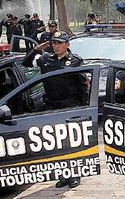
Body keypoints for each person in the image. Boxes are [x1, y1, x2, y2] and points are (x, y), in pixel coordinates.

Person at [21, 31, 89, 189]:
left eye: (60, 43)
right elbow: (26, 62)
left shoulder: (75, 61)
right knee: (57, 143)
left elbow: (82, 85)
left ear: (67, 44)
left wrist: (84, 107)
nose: (56, 46)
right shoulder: (45, 59)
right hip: (52, 105)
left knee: (71, 142)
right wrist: (37, 49)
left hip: (70, 106)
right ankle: (63, 174)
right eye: (54, 43)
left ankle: (74, 174)